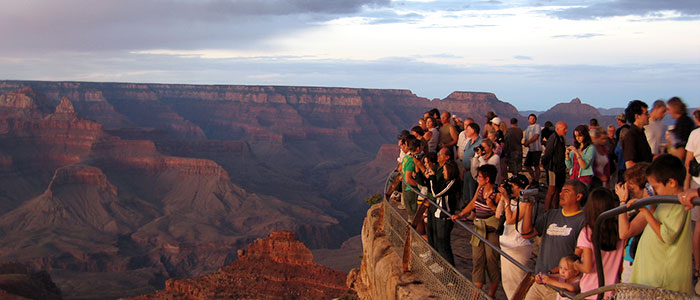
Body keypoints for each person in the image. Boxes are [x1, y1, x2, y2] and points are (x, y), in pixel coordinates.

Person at [619, 154, 692, 294]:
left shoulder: (678, 204)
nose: (654, 190)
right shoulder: (666, 202)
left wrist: (644, 211)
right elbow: (659, 222)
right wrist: (651, 206)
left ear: (671, 182)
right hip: (652, 279)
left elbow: (667, 236)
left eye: (655, 186)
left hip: (662, 282)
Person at [521, 179, 586, 300]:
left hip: (560, 285)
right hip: (540, 281)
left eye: (566, 191)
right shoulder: (551, 215)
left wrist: (551, 274)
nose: (561, 194)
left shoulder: (583, 220)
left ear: (578, 196)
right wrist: (529, 206)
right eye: (561, 191)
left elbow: (576, 258)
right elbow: (526, 233)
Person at [452, 164, 501, 297]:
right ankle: (476, 295)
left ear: (487, 179)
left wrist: (491, 206)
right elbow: (474, 203)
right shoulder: (480, 188)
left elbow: (501, 214)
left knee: (491, 262)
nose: (477, 178)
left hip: (491, 231)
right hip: (479, 229)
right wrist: (461, 214)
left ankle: (491, 294)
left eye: (480, 176)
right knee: (478, 260)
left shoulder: (497, 194)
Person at [573, 188, 624, 299]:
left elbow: (587, 268)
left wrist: (575, 265)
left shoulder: (587, 232)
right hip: (611, 290)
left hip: (590, 291)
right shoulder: (619, 230)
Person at [495, 174, 533, 299]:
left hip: (517, 247)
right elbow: (498, 215)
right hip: (507, 246)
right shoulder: (511, 200)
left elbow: (511, 219)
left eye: (512, 186)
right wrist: (503, 198)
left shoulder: (525, 202)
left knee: (517, 285)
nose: (510, 188)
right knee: (508, 284)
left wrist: (506, 200)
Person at [615, 162, 651, 283]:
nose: (630, 191)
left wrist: (622, 202)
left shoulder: (650, 207)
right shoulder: (641, 205)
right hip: (632, 261)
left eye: (633, 187)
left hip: (636, 264)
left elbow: (624, 233)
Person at [424, 149, 459, 265]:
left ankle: (451, 275)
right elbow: (432, 189)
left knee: (444, 246)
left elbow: (436, 193)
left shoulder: (452, 183)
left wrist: (433, 178)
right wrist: (429, 178)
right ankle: (440, 266)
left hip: (445, 217)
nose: (443, 173)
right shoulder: (445, 181)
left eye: (444, 170)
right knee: (438, 244)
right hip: (439, 214)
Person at [683, 108, 700, 291]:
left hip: (697, 185)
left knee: (697, 227)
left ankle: (698, 268)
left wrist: (687, 186)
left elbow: (688, 163)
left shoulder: (695, 134)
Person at [542, 122, 568, 210]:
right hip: (553, 169)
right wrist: (544, 163)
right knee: (551, 190)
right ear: (558, 129)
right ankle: (547, 211)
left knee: (557, 190)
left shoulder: (561, 139)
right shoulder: (554, 138)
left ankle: (555, 209)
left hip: (559, 168)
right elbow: (548, 152)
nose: (566, 131)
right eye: (564, 129)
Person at [621, 100, 652, 169]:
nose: (649, 116)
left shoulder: (641, 133)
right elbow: (629, 164)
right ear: (637, 116)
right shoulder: (631, 136)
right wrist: (649, 168)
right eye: (646, 114)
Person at [461, 122, 483, 210]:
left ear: (473, 131)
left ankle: (473, 212)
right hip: (466, 170)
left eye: (468, 129)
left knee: (472, 192)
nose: (466, 131)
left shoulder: (480, 142)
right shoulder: (469, 142)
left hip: (474, 171)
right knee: (466, 191)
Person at [401, 135, 420, 217]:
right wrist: (419, 186)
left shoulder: (406, 157)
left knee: (410, 214)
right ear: (418, 148)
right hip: (410, 189)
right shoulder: (411, 160)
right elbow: (408, 179)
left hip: (405, 187)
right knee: (414, 214)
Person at [523, 114, 542, 183]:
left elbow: (536, 136)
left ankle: (537, 180)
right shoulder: (527, 128)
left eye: (533, 118)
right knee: (527, 165)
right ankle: (533, 178)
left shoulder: (537, 126)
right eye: (531, 118)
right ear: (528, 120)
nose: (532, 120)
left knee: (536, 165)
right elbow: (525, 138)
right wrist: (525, 143)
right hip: (530, 150)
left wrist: (528, 142)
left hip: (537, 149)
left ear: (536, 119)